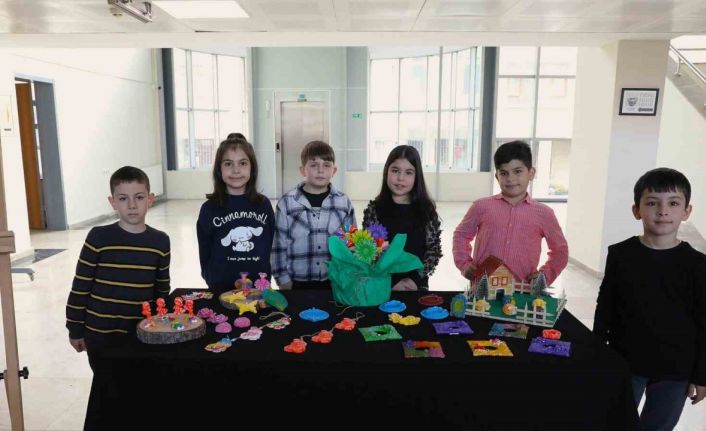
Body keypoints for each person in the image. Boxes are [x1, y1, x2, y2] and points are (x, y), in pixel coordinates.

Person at [594, 167, 706, 430]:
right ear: (637, 210)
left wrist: (701, 375)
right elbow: (605, 307)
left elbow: (704, 322)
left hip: (676, 369)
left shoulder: (698, 265)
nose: (663, 211)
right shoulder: (621, 255)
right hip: (626, 361)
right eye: (652, 203)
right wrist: (597, 355)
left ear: (687, 211)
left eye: (673, 203)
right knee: (615, 422)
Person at [66, 166, 170, 362]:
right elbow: (80, 287)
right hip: (98, 334)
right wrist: (75, 329)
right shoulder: (98, 238)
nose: (132, 205)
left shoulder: (160, 241)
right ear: (112, 202)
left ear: (150, 199)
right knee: (104, 379)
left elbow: (162, 289)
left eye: (139, 197)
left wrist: (160, 324)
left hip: (140, 332)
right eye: (123, 198)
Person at [452, 140, 568, 286]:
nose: (510, 179)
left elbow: (560, 250)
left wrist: (544, 276)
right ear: (497, 176)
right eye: (504, 173)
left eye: (517, 171)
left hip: (523, 290)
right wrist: (464, 264)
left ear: (531, 173)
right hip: (483, 288)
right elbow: (461, 235)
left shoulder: (544, 214)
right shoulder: (481, 206)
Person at [271, 140, 355, 289]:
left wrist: (348, 276)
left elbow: (350, 243)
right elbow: (278, 245)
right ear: (303, 170)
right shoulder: (287, 203)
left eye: (326, 165)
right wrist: (283, 280)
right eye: (314, 165)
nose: (320, 170)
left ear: (334, 170)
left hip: (335, 282)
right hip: (296, 283)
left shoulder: (343, 203)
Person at [197, 137, 274, 294]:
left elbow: (270, 244)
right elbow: (204, 250)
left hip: (258, 289)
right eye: (228, 164)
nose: (236, 170)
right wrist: (211, 277)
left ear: (252, 168)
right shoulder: (209, 209)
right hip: (220, 288)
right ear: (219, 169)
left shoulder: (263, 205)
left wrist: (265, 279)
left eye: (242, 163)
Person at [362, 145, 441, 290]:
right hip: (383, 285)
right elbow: (368, 252)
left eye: (408, 172)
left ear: (417, 176)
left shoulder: (427, 210)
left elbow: (433, 251)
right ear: (386, 172)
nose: (400, 178)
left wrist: (415, 280)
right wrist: (392, 282)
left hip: (416, 286)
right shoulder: (374, 210)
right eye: (395, 170)